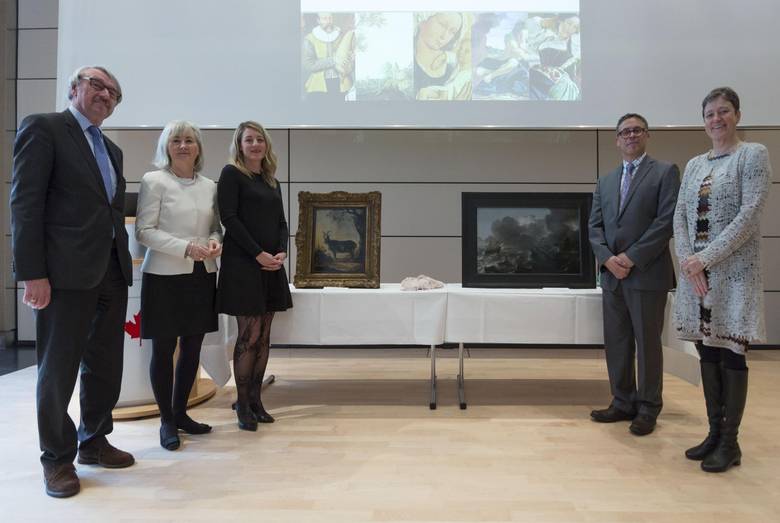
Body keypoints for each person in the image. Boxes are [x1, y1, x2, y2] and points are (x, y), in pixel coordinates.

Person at [10, 65, 134, 498]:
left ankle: (94, 440)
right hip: (63, 275)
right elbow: (25, 204)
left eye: (113, 92)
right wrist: (32, 273)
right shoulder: (45, 129)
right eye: (97, 84)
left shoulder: (112, 150)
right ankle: (57, 460)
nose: (105, 94)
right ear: (74, 88)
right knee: (58, 371)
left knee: (105, 366)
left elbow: (109, 213)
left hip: (111, 272)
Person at [673, 87, 772, 473]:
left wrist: (704, 259)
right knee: (707, 350)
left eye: (724, 111)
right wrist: (688, 261)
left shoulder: (753, 155)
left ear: (737, 115)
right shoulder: (696, 163)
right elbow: (680, 215)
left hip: (734, 275)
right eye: (710, 113)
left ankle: (731, 443)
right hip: (697, 276)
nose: (716, 119)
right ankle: (714, 433)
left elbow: (749, 216)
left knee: (731, 350)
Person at [588, 113, 680, 436]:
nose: (631, 135)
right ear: (616, 140)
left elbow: (665, 222)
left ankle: (648, 407)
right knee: (617, 342)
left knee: (647, 345)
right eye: (624, 132)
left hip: (647, 275)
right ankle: (622, 402)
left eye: (637, 130)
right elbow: (594, 227)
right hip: (612, 276)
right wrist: (609, 259)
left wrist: (630, 257)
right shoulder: (605, 181)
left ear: (647, 136)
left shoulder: (665, 172)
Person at [135, 121, 222, 451]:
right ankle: (166, 421)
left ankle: (181, 412)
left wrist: (215, 243)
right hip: (164, 276)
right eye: (176, 140)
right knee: (163, 350)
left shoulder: (210, 186)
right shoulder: (154, 181)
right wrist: (185, 247)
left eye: (189, 140)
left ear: (198, 147)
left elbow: (216, 228)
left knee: (192, 348)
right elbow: (144, 231)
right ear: (166, 146)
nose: (183, 145)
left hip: (202, 274)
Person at [217, 121, 293, 431]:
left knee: (264, 337)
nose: (255, 144)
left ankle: (257, 400)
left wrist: (280, 252)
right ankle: (243, 404)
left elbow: (282, 223)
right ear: (240, 145)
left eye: (259, 139)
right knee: (248, 337)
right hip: (243, 265)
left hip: (271, 266)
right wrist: (257, 254)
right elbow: (229, 218)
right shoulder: (231, 174)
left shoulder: (271, 180)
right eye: (248, 139)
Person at [302, 12, 354, 102]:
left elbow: (349, 57)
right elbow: (308, 65)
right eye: (324, 19)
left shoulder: (341, 35)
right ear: (318, 20)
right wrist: (333, 60)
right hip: (319, 85)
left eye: (330, 18)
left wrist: (350, 63)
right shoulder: (309, 39)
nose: (329, 21)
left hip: (341, 83)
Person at [414, 12, 463, 96]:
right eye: (442, 25)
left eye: (452, 32)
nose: (444, 36)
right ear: (423, 21)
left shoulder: (452, 64)